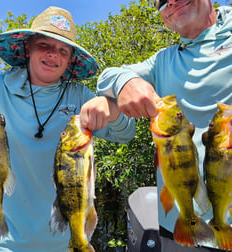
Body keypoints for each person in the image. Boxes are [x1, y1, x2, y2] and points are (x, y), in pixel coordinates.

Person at [0, 6, 135, 252]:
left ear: (70, 59)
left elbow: (125, 134)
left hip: (64, 244)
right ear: (28, 47)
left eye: (63, 49)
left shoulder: (81, 95)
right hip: (1, 245)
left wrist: (111, 108)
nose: (54, 54)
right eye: (44, 45)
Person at [97, 0, 232, 251]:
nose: (170, 1)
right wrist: (126, 82)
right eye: (161, 2)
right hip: (176, 230)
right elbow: (108, 75)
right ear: (165, 19)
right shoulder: (162, 61)